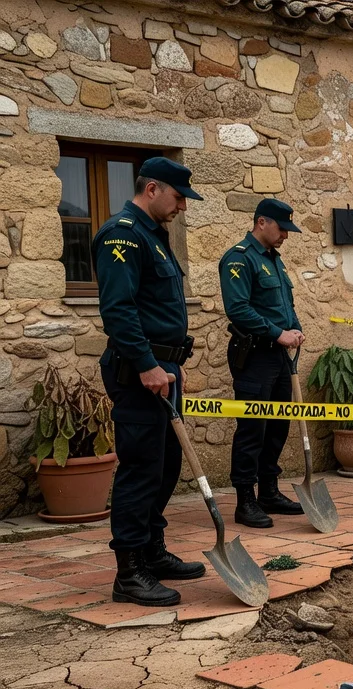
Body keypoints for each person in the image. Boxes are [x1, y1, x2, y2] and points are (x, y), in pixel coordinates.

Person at [95, 158, 205, 607]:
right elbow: (118, 309)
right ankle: (130, 572)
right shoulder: (122, 234)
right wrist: (146, 364)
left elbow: (158, 309)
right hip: (139, 373)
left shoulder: (153, 237)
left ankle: (152, 550)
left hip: (163, 372)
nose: (182, 206)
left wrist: (172, 363)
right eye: (178, 197)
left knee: (165, 467)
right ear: (153, 188)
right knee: (141, 470)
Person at [220, 198, 305, 529]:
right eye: (282, 228)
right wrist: (278, 333)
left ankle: (269, 491)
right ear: (261, 223)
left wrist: (294, 328)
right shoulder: (239, 260)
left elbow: (285, 303)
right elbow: (238, 309)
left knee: (278, 425)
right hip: (254, 354)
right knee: (253, 428)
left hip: (278, 356)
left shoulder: (275, 261)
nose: (286, 234)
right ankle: (246, 501)